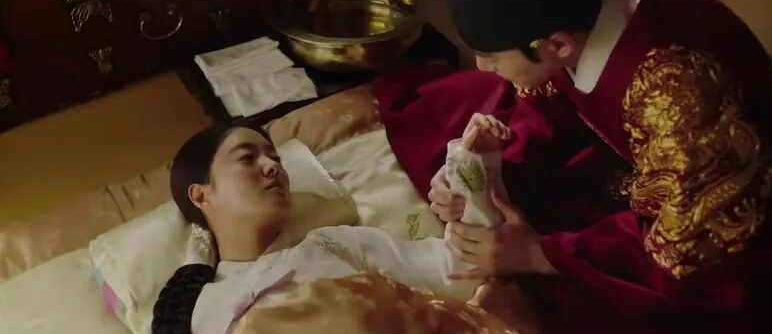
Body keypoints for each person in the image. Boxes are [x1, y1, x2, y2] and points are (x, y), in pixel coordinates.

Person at [373, 0, 772, 332]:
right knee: (471, 140)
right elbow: (550, 101)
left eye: (490, 56)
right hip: (648, 150)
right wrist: (490, 170)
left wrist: (537, 253)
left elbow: (690, 248)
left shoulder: (678, 96)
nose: (480, 65)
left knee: (566, 302)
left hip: (719, 202)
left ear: (558, 45)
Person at [149, 121, 525, 334]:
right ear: (201, 195)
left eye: (275, 158)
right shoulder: (201, 309)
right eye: (247, 158)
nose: (273, 166)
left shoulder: (333, 243)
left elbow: (460, 267)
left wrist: (471, 172)